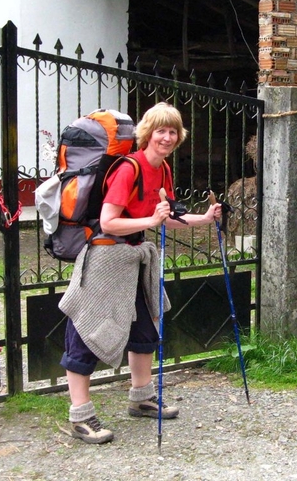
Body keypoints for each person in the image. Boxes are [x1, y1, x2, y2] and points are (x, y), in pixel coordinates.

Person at [58, 102, 222, 444]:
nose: (167, 136)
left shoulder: (162, 170)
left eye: (173, 130)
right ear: (147, 133)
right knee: (88, 332)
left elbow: (169, 215)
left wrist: (205, 218)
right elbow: (108, 221)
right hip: (105, 259)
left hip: (135, 257)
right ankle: (80, 417)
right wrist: (150, 222)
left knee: (146, 327)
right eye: (160, 130)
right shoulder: (128, 169)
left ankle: (141, 398)